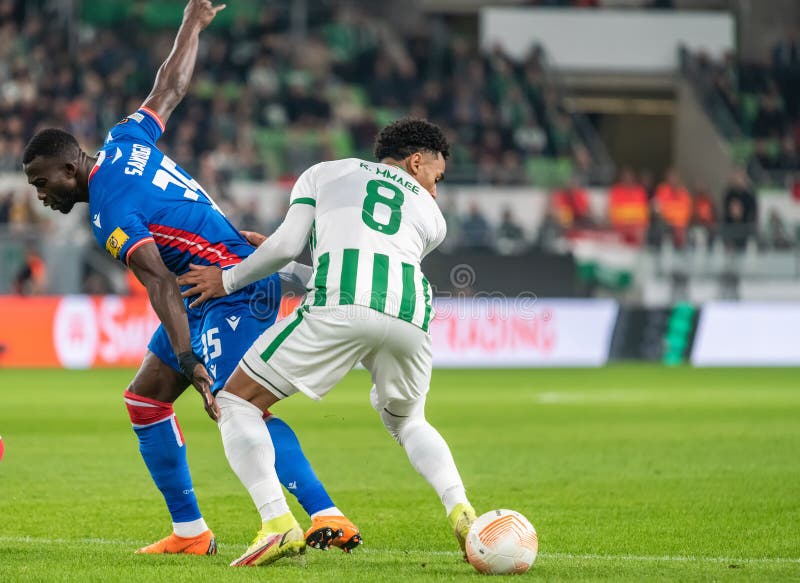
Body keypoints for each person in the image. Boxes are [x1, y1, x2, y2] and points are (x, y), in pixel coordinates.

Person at [22, 0, 358, 557]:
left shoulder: (108, 209)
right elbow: (169, 88)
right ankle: (190, 533)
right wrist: (193, 21)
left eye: (41, 182)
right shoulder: (125, 140)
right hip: (205, 288)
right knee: (145, 401)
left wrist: (191, 362)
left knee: (239, 403)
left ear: (69, 167)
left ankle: (327, 517)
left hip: (233, 288)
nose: (41, 195)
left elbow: (157, 283)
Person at [177, 119, 476, 567]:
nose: (436, 189)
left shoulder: (324, 172)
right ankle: (463, 512)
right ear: (417, 162)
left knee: (235, 402)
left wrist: (227, 280)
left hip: (340, 307)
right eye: (437, 176)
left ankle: (277, 523)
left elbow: (284, 248)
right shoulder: (435, 219)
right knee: (409, 421)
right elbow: (374, 270)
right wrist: (294, 271)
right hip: (412, 317)